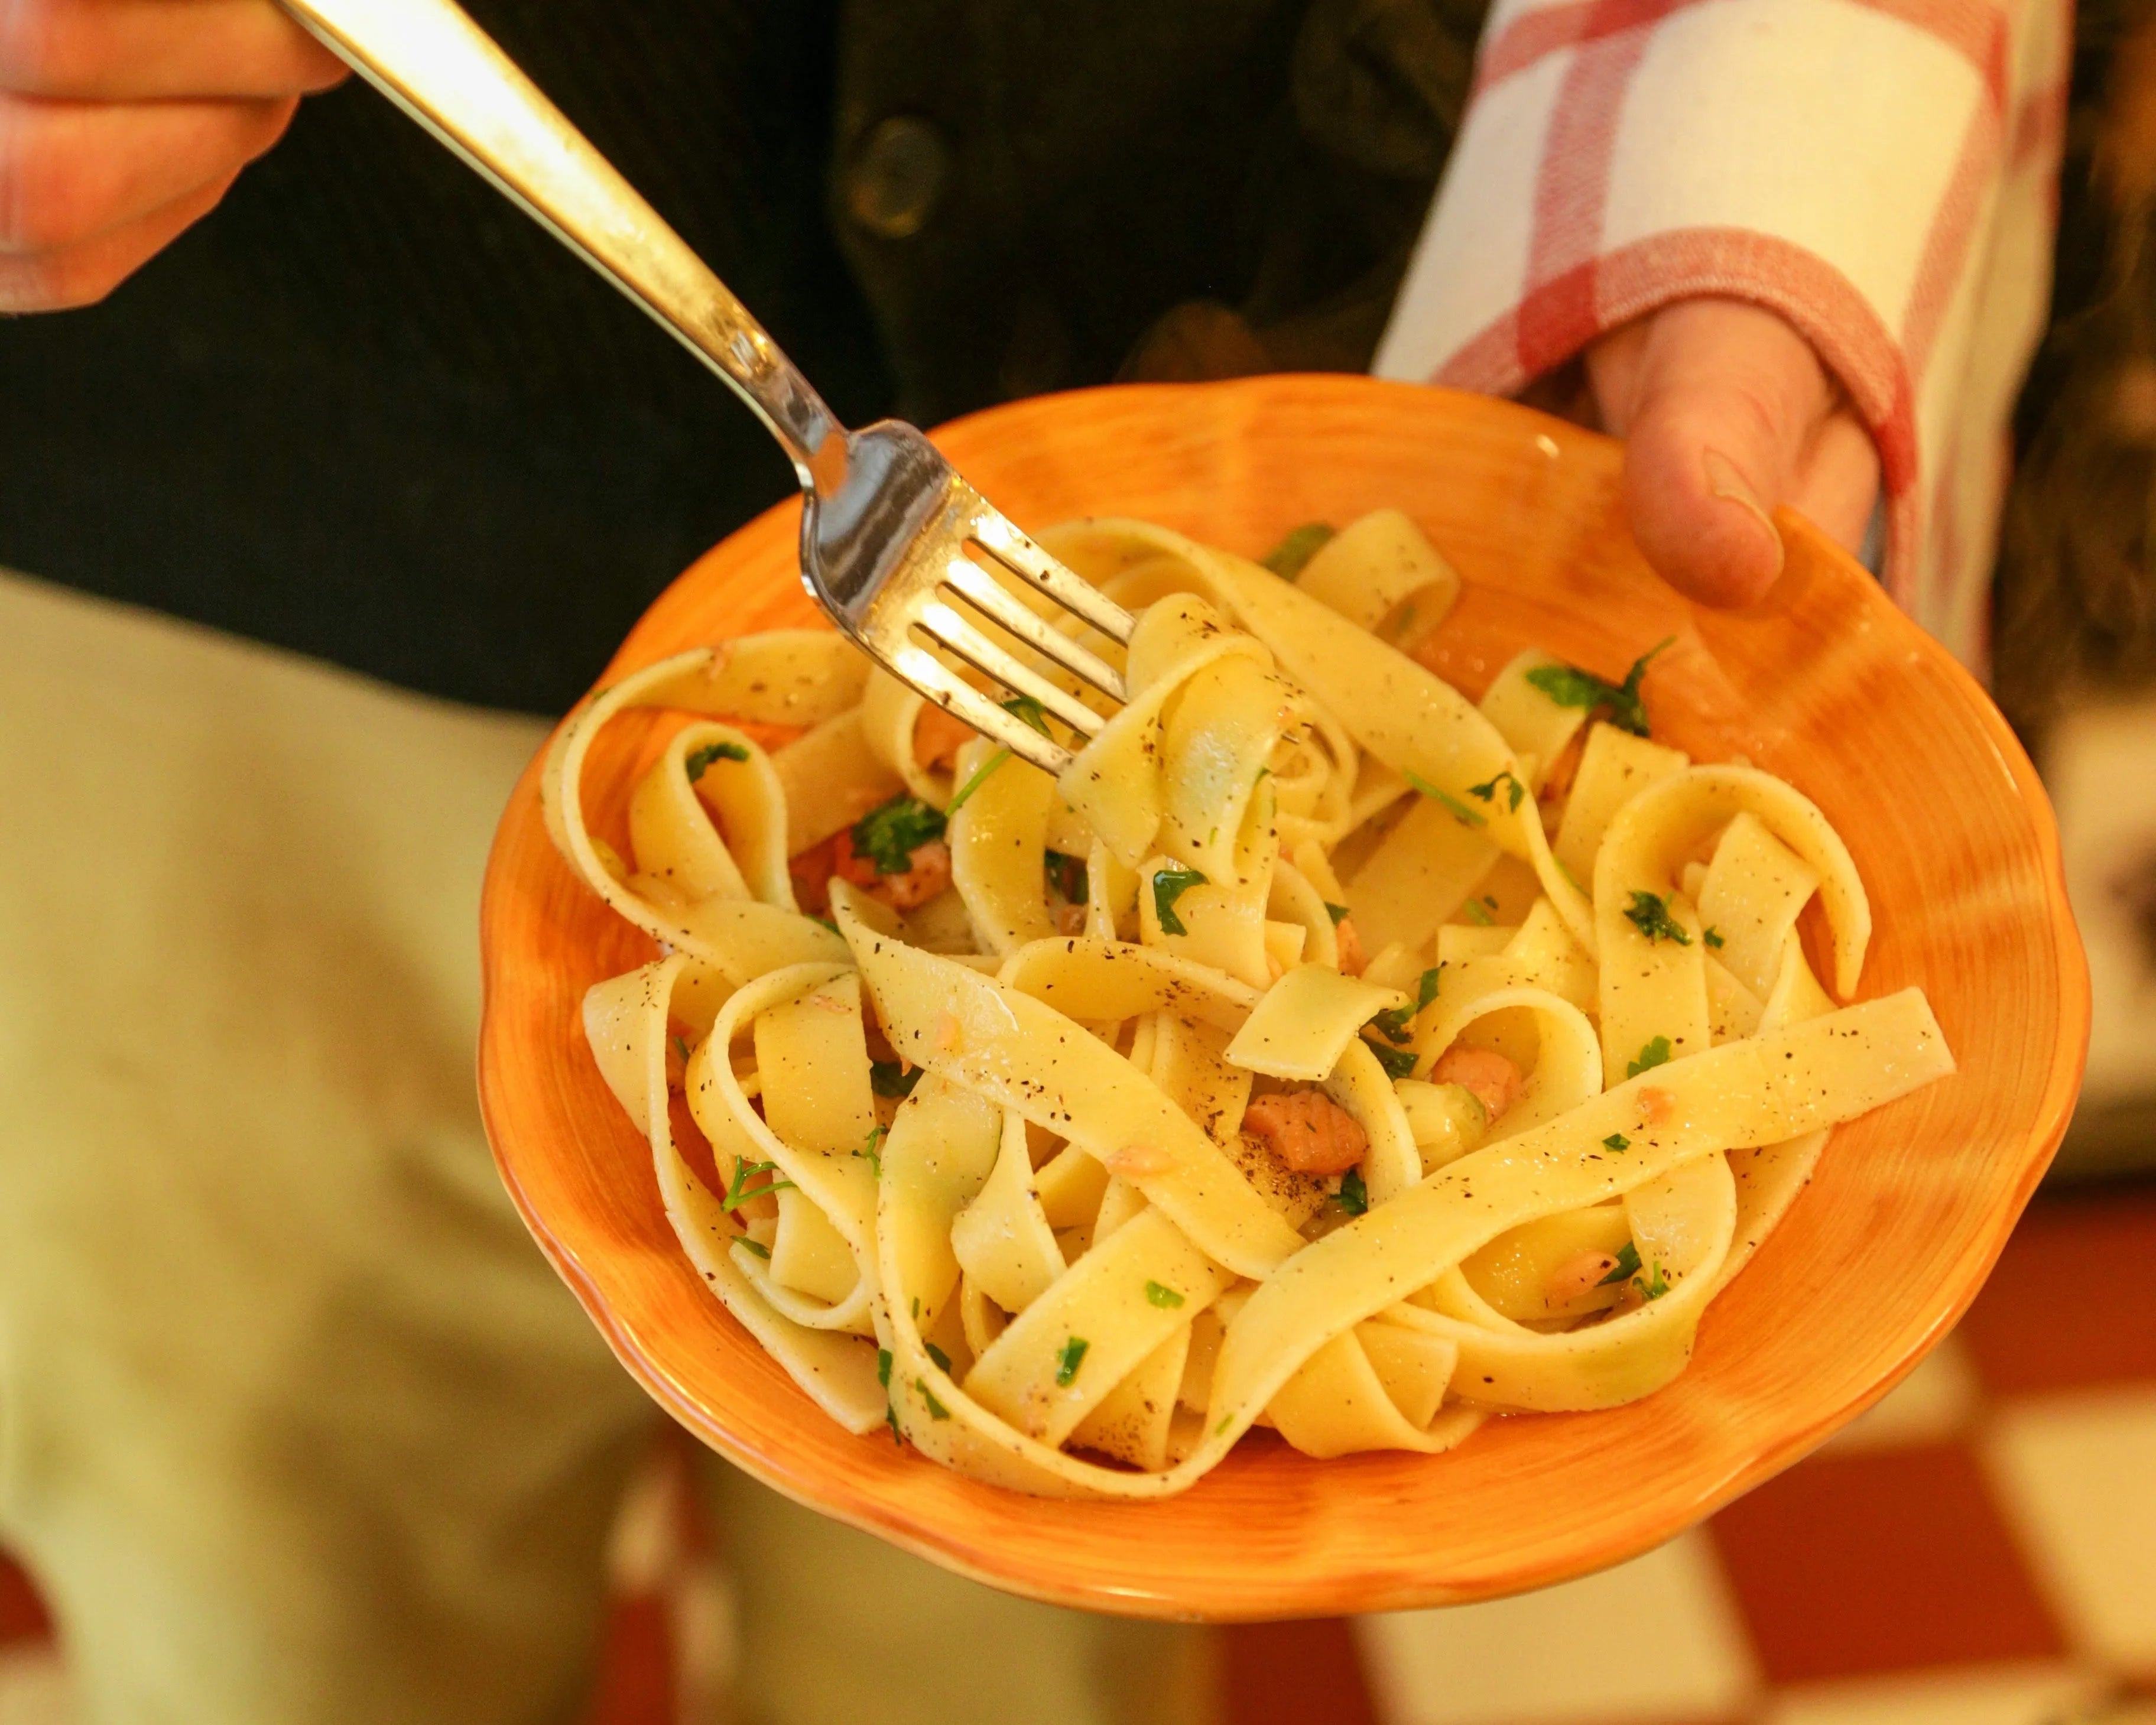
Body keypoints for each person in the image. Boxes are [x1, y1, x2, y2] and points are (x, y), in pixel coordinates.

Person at [0, 2, 2064, 1721]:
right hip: (191, 603)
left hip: (1335, 421)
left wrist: (1719, 149)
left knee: (1023, 1648)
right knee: (277, 1629)